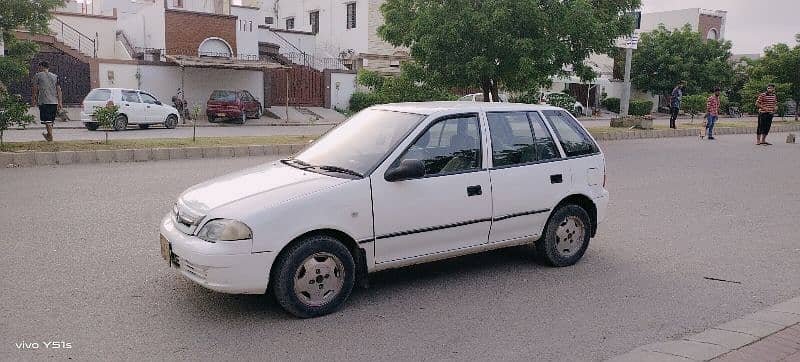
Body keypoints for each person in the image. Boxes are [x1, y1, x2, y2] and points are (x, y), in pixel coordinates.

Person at [31, 61, 63, 142]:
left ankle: (50, 137)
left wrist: (33, 99)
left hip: (44, 101)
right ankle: (49, 135)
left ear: (41, 66)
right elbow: (59, 90)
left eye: (39, 67)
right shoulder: (55, 76)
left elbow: (34, 88)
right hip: (54, 102)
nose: (38, 69)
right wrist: (60, 102)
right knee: (50, 121)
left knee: (47, 120)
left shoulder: (38, 75)